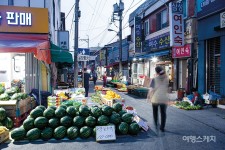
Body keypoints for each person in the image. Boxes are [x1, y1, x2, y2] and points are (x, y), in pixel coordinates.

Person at [148, 66, 169, 132]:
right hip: (164, 98)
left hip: (156, 98)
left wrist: (148, 96)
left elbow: (151, 89)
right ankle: (162, 127)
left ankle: (156, 123)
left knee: (155, 112)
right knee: (163, 113)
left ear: (156, 72)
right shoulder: (166, 78)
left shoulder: (154, 79)